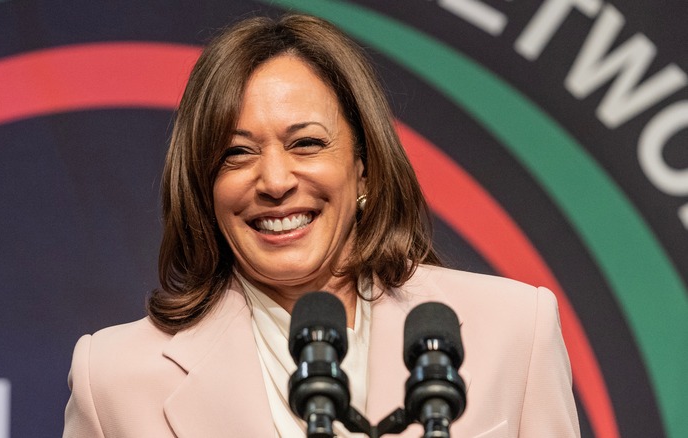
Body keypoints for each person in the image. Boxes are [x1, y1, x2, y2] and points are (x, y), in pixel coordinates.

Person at [62, 14, 579, 438]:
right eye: (237, 154)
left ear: (365, 169)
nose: (275, 180)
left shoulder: (515, 329)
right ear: (204, 189)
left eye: (305, 143)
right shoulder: (114, 377)